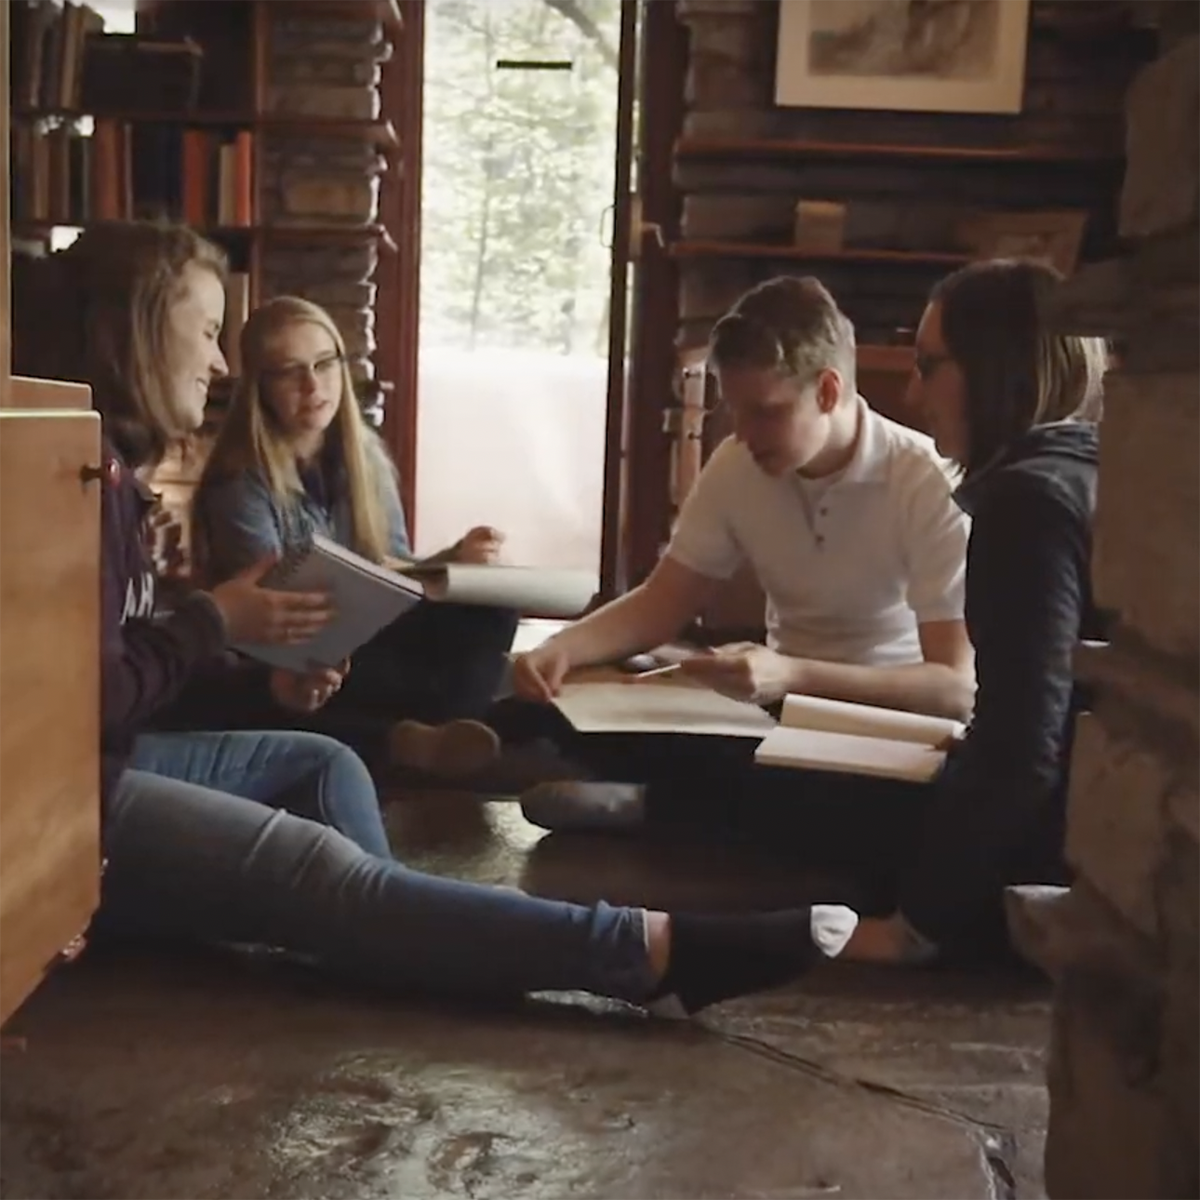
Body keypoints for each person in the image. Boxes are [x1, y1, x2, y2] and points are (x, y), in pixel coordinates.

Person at [10, 219, 857, 1016]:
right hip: (60, 801)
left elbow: (121, 675)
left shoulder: (108, 468)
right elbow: (76, 707)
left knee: (326, 764)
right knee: (326, 875)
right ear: (140, 332)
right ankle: (649, 953)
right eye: (204, 331)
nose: (216, 363)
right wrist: (214, 618)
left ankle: (392, 935)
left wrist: (255, 668)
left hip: (106, 760)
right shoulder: (61, 480)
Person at [506, 275, 974, 833]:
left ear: (827, 391)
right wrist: (564, 647)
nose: (744, 433)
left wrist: (793, 673)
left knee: (835, 789)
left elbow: (953, 687)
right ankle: (540, 754)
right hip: (771, 710)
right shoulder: (738, 463)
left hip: (878, 727)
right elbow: (663, 600)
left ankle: (646, 804)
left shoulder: (925, 482)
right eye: (735, 412)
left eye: (765, 411)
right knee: (571, 691)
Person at [834, 257, 1108, 964]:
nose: (912, 390)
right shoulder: (1092, 469)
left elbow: (1023, 750)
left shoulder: (1027, 505)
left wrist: (915, 927)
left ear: (994, 369)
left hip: (1066, 864)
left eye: (929, 365)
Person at [190, 294, 516, 778]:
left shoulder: (366, 459)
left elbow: (396, 564)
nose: (312, 384)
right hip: (296, 646)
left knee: (492, 609)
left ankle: (441, 736)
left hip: (370, 629)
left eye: (325, 363)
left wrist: (455, 559)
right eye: (289, 371)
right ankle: (421, 742)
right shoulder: (239, 482)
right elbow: (273, 610)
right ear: (261, 387)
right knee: (338, 676)